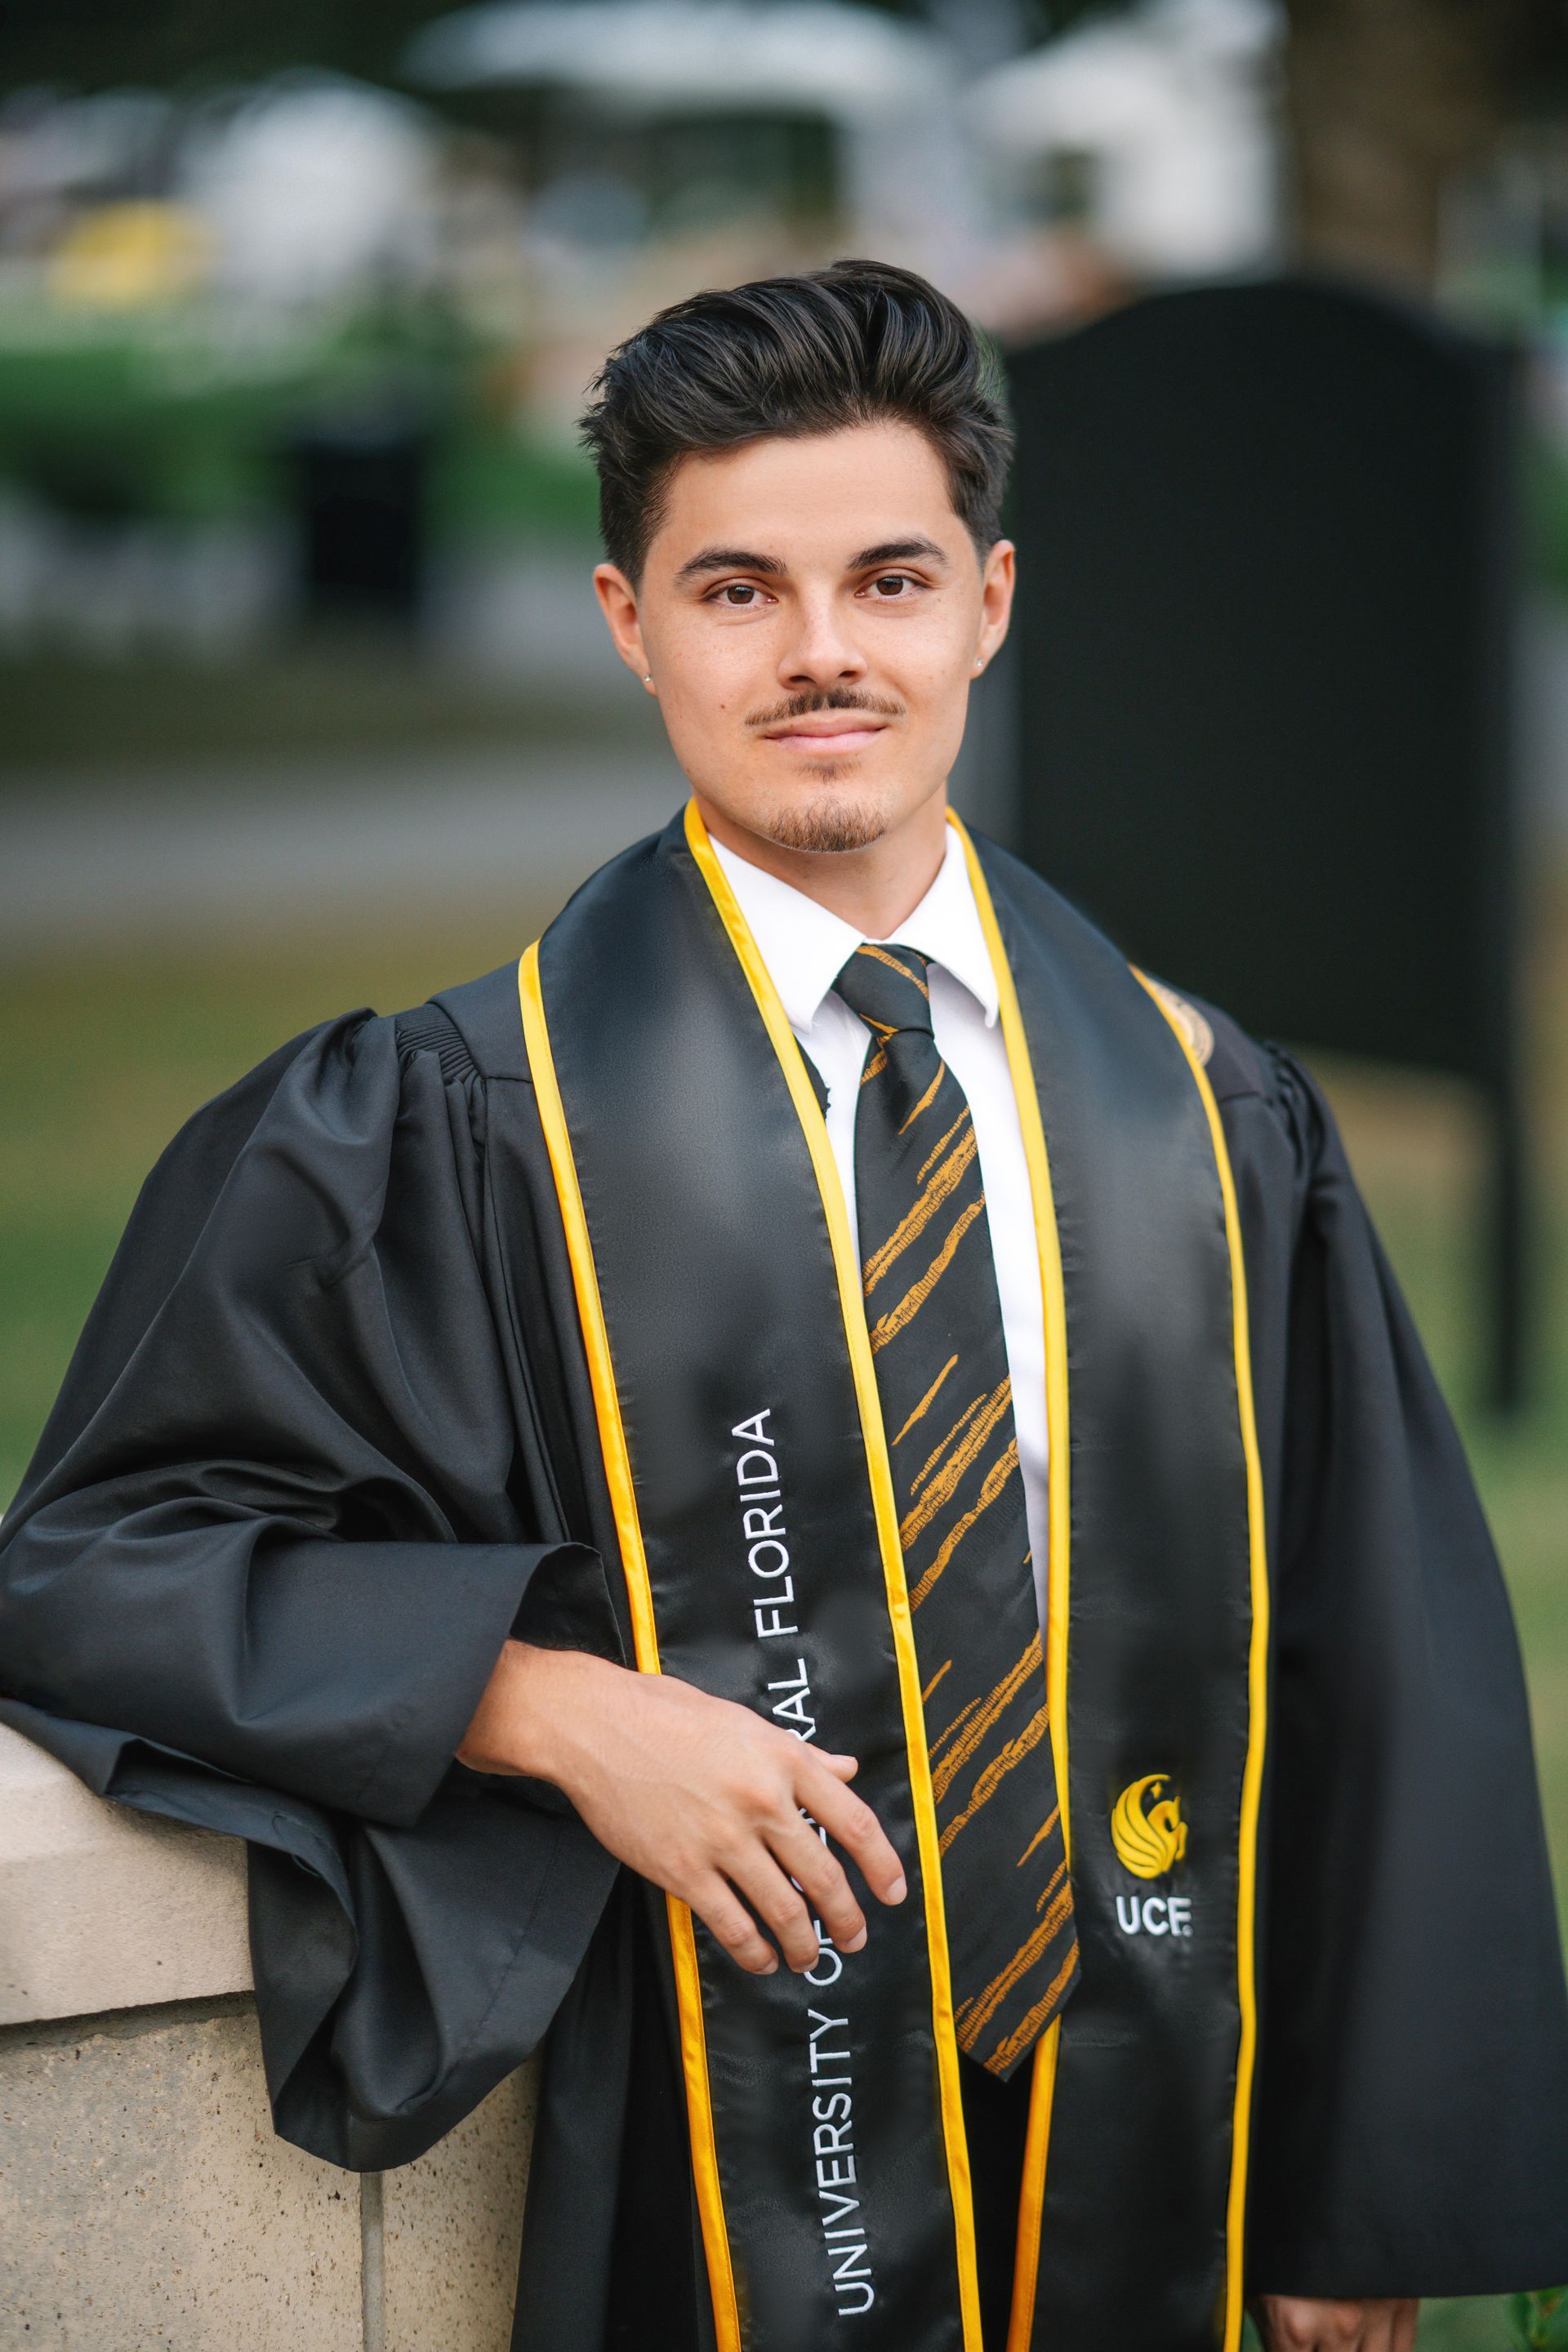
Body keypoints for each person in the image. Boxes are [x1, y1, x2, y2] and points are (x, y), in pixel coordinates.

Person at [2, 261, 1566, 2352]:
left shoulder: (1213, 1119)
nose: (825, 654)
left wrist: (1351, 2200)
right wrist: (543, 1703)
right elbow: (97, 1565)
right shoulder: (445, 1130)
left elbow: (1388, 1657)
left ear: (989, 606)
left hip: (1165, 2129)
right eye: (737, 589)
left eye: (889, 579)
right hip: (714, 2173)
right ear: (627, 624)